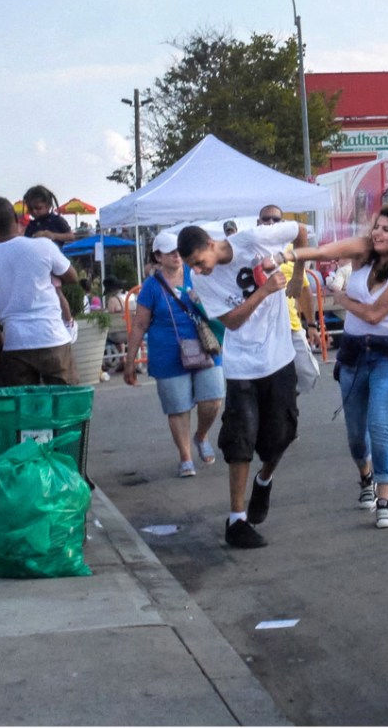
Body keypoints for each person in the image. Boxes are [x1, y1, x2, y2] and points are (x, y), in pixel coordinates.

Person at [178, 216, 308, 550]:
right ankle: (236, 520)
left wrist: (298, 277)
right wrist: (265, 291)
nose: (199, 270)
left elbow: (300, 231)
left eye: (199, 262)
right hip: (241, 367)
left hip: (278, 357)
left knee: (282, 434)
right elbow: (233, 321)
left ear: (210, 243)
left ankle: (264, 480)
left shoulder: (255, 240)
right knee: (240, 439)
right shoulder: (200, 280)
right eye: (193, 266)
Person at [290, 204, 388, 528]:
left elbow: (375, 314)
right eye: (376, 227)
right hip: (352, 353)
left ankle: (384, 501)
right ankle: (366, 478)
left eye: (386, 229)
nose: (377, 233)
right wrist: (289, 257)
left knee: (379, 423)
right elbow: (322, 251)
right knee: (355, 435)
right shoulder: (364, 252)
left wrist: (343, 299)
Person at [123, 231, 223, 478]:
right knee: (177, 407)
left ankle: (201, 435)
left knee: (213, 399)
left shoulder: (197, 272)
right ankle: (185, 456)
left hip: (205, 344)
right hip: (167, 351)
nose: (177, 256)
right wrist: (130, 360)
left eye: (178, 251)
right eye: (170, 252)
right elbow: (139, 324)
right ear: (158, 256)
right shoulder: (150, 287)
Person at [0, 197, 80, 387]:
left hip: (15, 343)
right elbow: (72, 277)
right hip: (52, 336)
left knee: (24, 409)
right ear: (15, 217)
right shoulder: (43, 246)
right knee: (66, 405)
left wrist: (0, 343)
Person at [258, 205, 320, 396]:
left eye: (275, 219)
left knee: (309, 372)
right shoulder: (253, 250)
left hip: (291, 324)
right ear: (258, 222)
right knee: (270, 376)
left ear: (282, 223)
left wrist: (311, 324)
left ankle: (286, 399)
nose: (271, 223)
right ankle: (280, 405)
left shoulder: (292, 252)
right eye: (266, 219)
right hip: (264, 327)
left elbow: (304, 291)